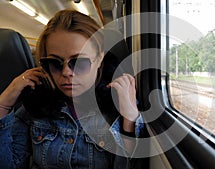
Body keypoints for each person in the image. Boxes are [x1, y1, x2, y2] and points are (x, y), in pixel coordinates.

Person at [0, 9, 146, 169]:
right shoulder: (35, 107)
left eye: (79, 62)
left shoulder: (118, 105)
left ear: (99, 58)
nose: (66, 73)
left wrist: (130, 119)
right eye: (54, 63)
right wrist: (4, 102)